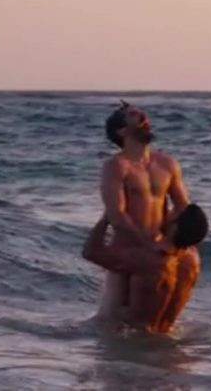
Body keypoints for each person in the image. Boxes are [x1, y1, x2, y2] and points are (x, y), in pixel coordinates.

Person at [86, 101, 201, 330]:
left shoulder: (167, 164)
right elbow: (117, 215)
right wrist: (148, 244)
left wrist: (169, 240)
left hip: (158, 245)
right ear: (122, 131)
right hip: (129, 246)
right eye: (135, 116)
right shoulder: (117, 166)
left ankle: (163, 334)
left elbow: (182, 206)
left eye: (144, 115)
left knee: (190, 261)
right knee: (113, 324)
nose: (145, 120)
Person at [82, 203, 208, 332]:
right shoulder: (193, 260)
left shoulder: (150, 261)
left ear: (174, 227)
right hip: (168, 334)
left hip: (137, 338)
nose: (166, 214)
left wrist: (106, 218)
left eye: (172, 212)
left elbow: (90, 252)